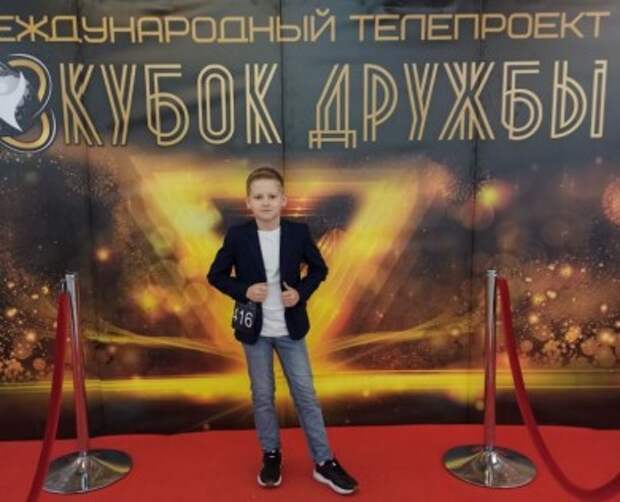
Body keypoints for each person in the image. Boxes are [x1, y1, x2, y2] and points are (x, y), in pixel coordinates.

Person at [207, 166, 358, 495]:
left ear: (283, 200)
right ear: (249, 202)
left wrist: (300, 293)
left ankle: (324, 462)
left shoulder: (297, 232)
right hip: (255, 333)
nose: (266, 202)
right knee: (263, 396)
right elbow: (215, 275)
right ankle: (271, 455)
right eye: (259, 197)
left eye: (272, 196)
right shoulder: (238, 235)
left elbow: (319, 269)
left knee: (306, 396)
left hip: (291, 331)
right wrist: (244, 290)